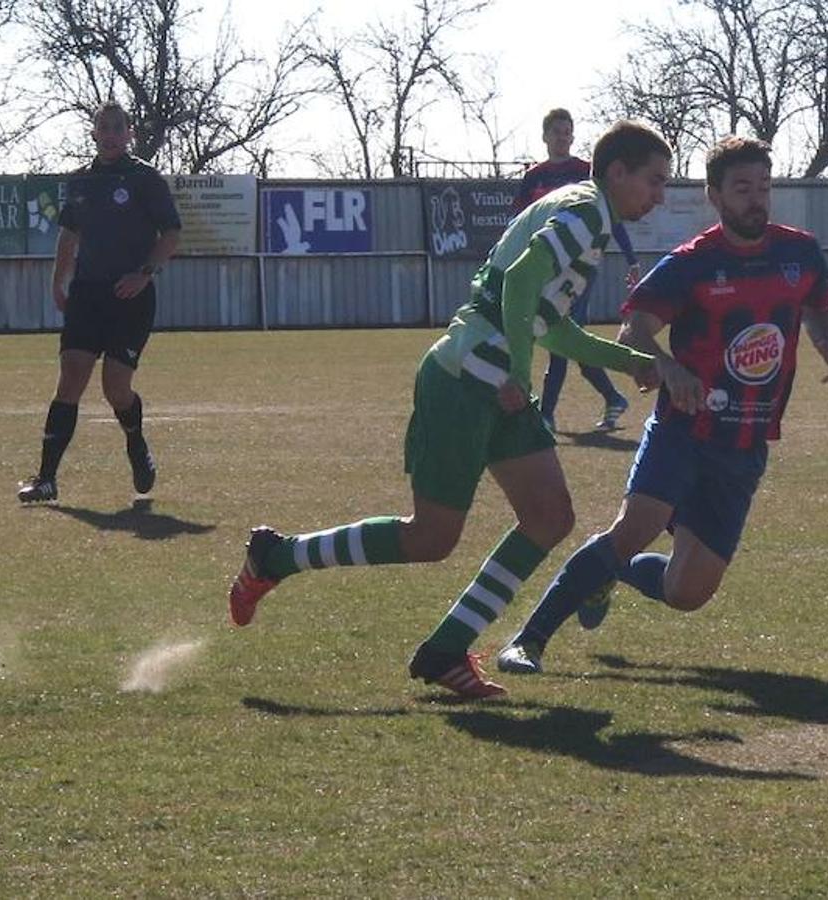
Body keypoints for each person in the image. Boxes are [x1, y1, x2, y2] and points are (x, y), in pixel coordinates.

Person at [227, 120, 672, 699]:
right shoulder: (588, 212)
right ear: (618, 172)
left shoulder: (583, 209)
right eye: (655, 181)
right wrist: (516, 369)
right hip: (465, 380)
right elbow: (518, 282)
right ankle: (276, 557)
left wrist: (625, 359)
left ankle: (445, 650)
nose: (660, 195)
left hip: (494, 383)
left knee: (549, 517)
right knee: (431, 538)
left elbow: (546, 322)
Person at [496, 135, 828, 676]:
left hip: (745, 444)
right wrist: (668, 366)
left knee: (687, 592)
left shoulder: (799, 251)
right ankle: (529, 640)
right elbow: (634, 330)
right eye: (742, 188)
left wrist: (827, 340)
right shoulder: (692, 264)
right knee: (633, 527)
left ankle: (613, 575)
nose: (756, 199)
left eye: (764, 187)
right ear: (715, 196)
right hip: (684, 429)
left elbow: (820, 305)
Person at [17, 101, 182, 506]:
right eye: (102, 128)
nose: (109, 135)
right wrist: (59, 281)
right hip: (88, 294)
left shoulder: (145, 179)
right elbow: (69, 236)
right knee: (71, 378)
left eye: (116, 128)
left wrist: (144, 274)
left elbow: (172, 234)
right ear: (93, 134)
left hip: (131, 297)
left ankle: (136, 442)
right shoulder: (81, 182)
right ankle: (46, 479)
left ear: (129, 134)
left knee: (115, 387)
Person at [514, 108, 640, 433]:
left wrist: (631, 259)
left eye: (567, 131)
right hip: (544, 265)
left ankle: (546, 415)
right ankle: (613, 398)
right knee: (569, 340)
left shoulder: (586, 171)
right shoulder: (534, 178)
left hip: (578, 268)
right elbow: (519, 224)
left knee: (557, 329)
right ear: (545, 136)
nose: (563, 137)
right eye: (557, 131)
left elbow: (612, 215)